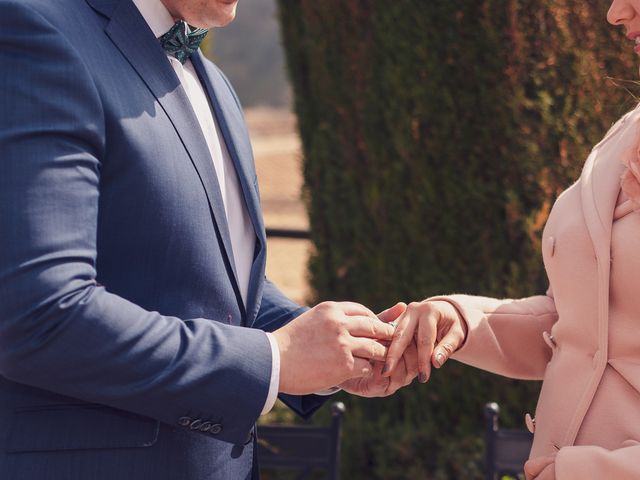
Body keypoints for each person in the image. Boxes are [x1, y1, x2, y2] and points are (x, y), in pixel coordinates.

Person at [0, 0, 418, 478]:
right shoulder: (37, 31)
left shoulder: (213, 81)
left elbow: (218, 284)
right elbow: (40, 315)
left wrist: (335, 353)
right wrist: (274, 359)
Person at [383, 1, 640, 478]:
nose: (615, 12)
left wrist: (588, 471)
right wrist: (461, 319)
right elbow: (577, 329)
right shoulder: (622, 136)